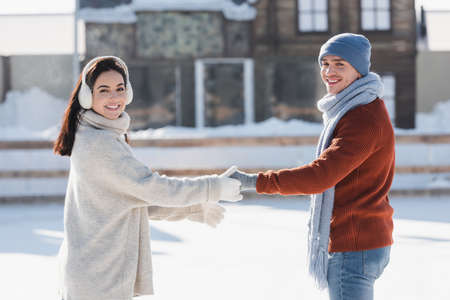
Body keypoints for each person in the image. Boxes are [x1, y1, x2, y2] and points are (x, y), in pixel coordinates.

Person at [53, 56, 243, 300]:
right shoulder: (99, 144)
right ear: (87, 97)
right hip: (98, 280)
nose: (115, 98)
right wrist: (213, 187)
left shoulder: (97, 134)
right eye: (104, 90)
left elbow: (134, 199)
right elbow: (154, 188)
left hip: (94, 274)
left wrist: (194, 208)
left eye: (120, 89)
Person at [229, 33, 394, 300]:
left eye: (340, 64)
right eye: (325, 64)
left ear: (359, 70)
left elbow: (321, 175)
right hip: (362, 241)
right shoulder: (356, 109)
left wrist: (254, 182)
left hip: (355, 246)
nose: (329, 72)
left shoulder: (362, 117)